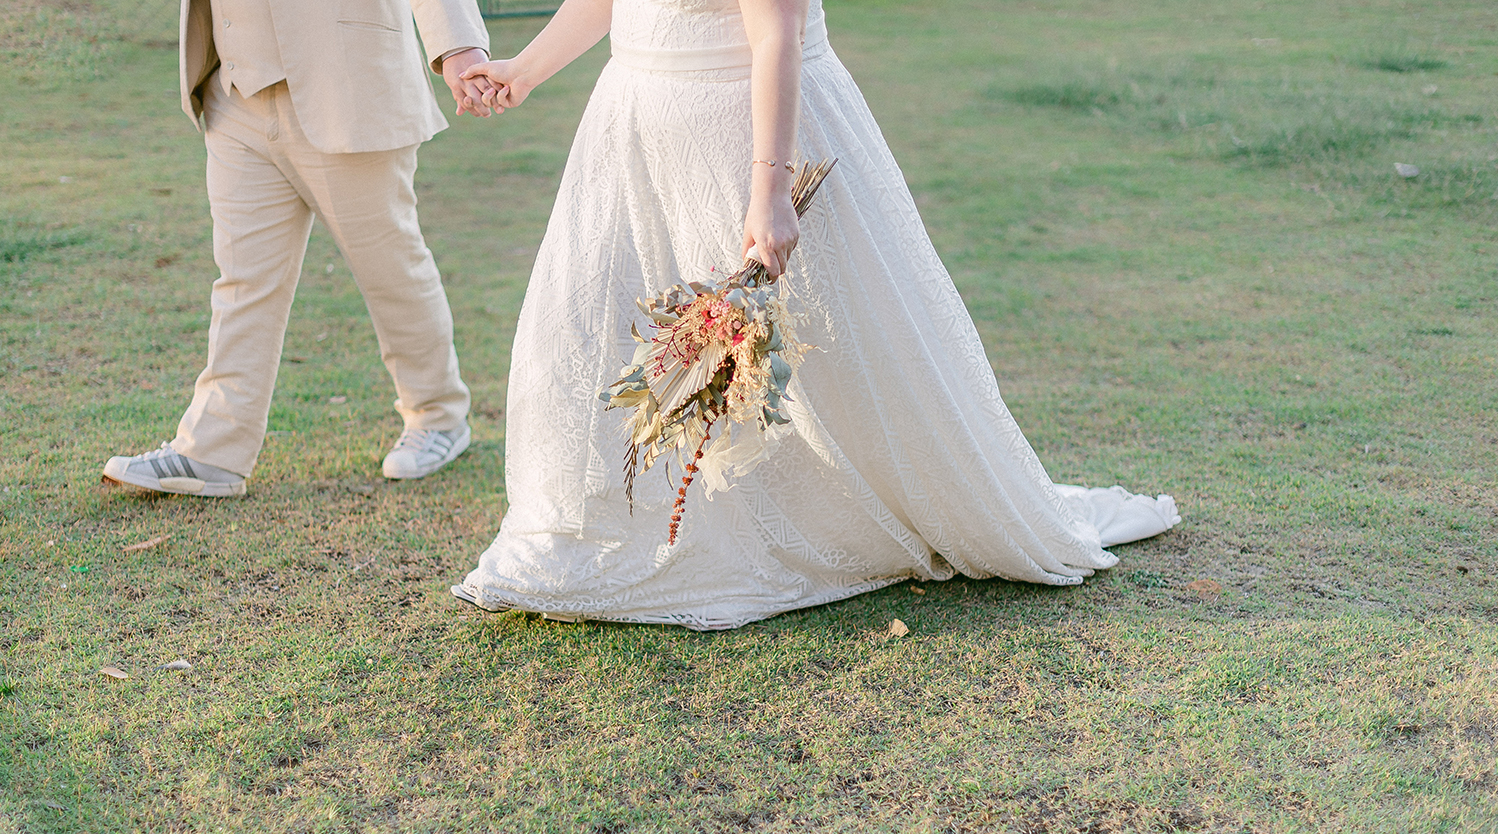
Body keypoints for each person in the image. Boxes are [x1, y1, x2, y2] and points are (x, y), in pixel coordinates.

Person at [451, 0, 1181, 629]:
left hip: (741, 131)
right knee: (599, 338)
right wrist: (525, 69)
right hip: (636, 130)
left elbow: (777, 32)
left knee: (800, 350)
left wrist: (768, 188)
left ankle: (762, 527)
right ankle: (639, 526)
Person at [102, 0, 497, 498]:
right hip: (234, 91)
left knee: (390, 268)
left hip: (349, 84)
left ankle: (439, 417)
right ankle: (214, 451)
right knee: (243, 281)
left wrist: (458, 46)